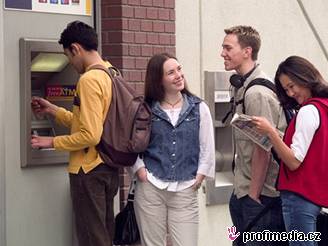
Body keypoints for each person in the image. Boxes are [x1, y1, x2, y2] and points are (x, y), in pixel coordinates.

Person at [30, 21, 119, 246]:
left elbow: (89, 135)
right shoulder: (110, 72)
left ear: (76, 49)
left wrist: (50, 141)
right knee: (104, 234)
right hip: (107, 166)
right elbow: (91, 124)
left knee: (92, 239)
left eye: (68, 56)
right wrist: (54, 110)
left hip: (87, 169)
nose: (70, 62)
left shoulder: (89, 80)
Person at [131, 53, 215, 246]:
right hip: (151, 187)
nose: (179, 75)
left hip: (185, 189)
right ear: (158, 80)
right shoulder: (145, 109)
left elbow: (207, 147)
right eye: (171, 72)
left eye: (179, 69)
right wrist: (139, 170)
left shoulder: (199, 108)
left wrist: (199, 177)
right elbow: (133, 144)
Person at [220, 25, 287, 245]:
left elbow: (263, 148)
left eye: (228, 48)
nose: (222, 53)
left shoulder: (257, 93)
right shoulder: (242, 87)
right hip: (244, 190)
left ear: (247, 51)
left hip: (261, 197)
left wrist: (253, 196)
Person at [252, 56, 328, 246]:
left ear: (305, 77)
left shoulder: (308, 111)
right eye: (286, 89)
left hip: (299, 196)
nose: (291, 93)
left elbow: (294, 161)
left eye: (292, 86)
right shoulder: (323, 106)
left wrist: (270, 132)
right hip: (316, 193)